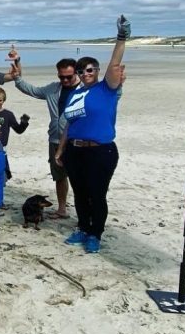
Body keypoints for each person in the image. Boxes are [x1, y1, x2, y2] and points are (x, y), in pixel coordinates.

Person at [55, 15, 130, 254]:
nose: (85, 73)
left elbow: (115, 64)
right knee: (80, 193)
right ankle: (83, 228)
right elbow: (69, 124)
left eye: (89, 69)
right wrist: (60, 149)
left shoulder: (107, 89)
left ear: (96, 71)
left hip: (101, 151)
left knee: (97, 195)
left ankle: (95, 234)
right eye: (81, 70)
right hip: (74, 150)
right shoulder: (75, 94)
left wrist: (121, 37)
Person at [12, 57, 79, 220]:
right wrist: (17, 77)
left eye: (68, 77)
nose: (64, 80)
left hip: (77, 141)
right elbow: (32, 90)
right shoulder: (53, 89)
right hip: (55, 140)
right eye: (61, 76)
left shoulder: (85, 91)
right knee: (59, 176)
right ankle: (62, 209)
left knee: (79, 179)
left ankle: (84, 213)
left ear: (76, 72)